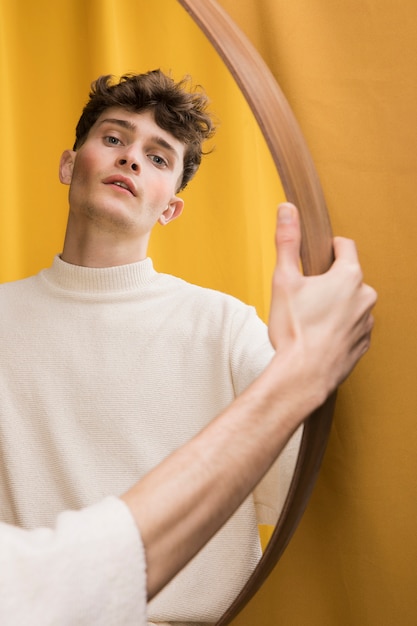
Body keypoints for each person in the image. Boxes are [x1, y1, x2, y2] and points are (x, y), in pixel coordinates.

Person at [0, 71, 375, 624]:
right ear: (67, 164)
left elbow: (313, 474)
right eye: (112, 138)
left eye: (158, 158)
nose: (130, 158)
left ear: (170, 208)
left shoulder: (223, 325)